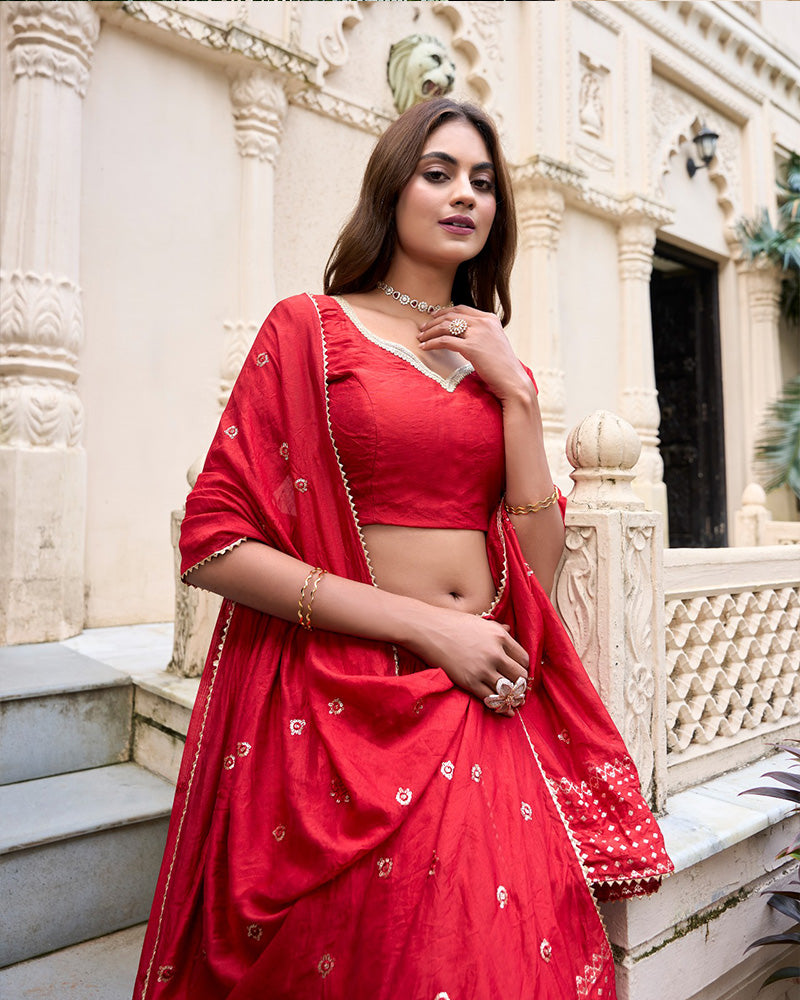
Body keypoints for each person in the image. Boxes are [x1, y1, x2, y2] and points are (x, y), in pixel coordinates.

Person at [134, 97, 672, 1000]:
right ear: (393, 187)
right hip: (350, 702)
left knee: (493, 961)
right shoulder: (309, 330)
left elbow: (533, 570)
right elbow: (215, 543)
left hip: (486, 698)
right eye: (439, 173)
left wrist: (519, 401)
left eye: (484, 183)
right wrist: (429, 631)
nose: (466, 195)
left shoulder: (499, 364)